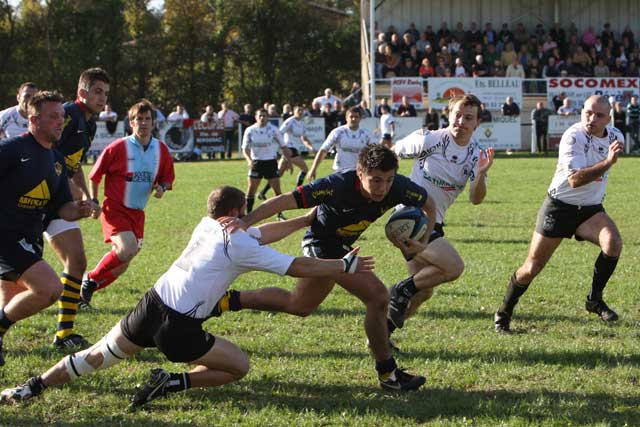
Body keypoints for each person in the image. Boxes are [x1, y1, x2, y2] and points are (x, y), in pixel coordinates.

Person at [0, 186, 374, 405]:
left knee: (94, 356)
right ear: (238, 212)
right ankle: (174, 381)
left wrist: (305, 220)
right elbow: (298, 267)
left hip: (151, 305)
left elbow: (262, 234)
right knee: (238, 366)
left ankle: (31, 387)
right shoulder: (239, 244)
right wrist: (343, 266)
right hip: (179, 328)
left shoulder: (208, 225)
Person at [223, 144, 436, 391]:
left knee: (299, 305)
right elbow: (285, 200)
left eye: (388, 180)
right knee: (378, 297)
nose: (383, 188)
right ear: (359, 173)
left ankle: (227, 301)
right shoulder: (338, 184)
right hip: (320, 244)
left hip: (344, 247)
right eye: (376, 180)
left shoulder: (399, 186)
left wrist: (421, 242)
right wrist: (246, 220)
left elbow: (428, 205)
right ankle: (388, 375)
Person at [494, 95, 625, 333]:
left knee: (613, 243)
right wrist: (607, 162)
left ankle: (594, 300)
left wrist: (608, 160)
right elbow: (575, 180)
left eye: (599, 115)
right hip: (560, 206)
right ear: (581, 112)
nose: (592, 119)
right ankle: (503, 313)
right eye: (588, 113)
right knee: (531, 268)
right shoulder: (573, 136)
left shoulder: (616, 137)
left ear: (609, 118)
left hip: (590, 210)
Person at [386, 94, 495, 336]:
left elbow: (476, 199)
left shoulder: (477, 155)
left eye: (469, 118)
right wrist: (391, 190)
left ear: (477, 123)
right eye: (457, 115)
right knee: (453, 267)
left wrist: (480, 174)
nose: (461, 122)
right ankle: (399, 290)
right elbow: (391, 155)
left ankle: (381, 336)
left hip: (435, 222)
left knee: (423, 291)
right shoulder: (429, 139)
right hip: (410, 217)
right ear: (449, 115)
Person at [0, 91, 95, 366]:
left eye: (62, 117)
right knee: (50, 289)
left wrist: (78, 210)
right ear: (34, 119)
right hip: (6, 238)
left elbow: (61, 207)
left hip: (29, 240)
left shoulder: (55, 160)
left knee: (9, 305)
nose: (59, 122)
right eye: (53, 117)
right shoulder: (13, 150)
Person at [79, 99, 175, 306]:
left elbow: (167, 177)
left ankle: (87, 288)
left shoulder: (161, 149)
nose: (143, 123)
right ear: (130, 123)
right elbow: (95, 175)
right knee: (126, 250)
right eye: (138, 119)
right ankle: (88, 280)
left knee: (122, 264)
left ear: (153, 122)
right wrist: (94, 200)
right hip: (115, 208)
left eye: (147, 119)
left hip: (137, 213)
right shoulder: (118, 147)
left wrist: (162, 187)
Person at [45, 68, 106, 350]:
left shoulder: (90, 125)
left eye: (105, 93)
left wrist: (89, 196)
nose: (103, 98)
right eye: (97, 91)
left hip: (57, 203)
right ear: (82, 92)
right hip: (35, 200)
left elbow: (73, 164)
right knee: (15, 281)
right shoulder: (67, 113)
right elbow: (46, 154)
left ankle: (63, 334)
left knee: (77, 261)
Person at [258, 106, 315, 200]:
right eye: (298, 110)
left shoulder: (302, 123)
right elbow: (280, 132)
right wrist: (283, 147)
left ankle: (262, 193)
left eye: (301, 110)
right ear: (294, 111)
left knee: (278, 174)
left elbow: (304, 138)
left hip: (294, 149)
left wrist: (310, 147)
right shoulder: (290, 121)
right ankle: (297, 192)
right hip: (289, 149)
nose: (300, 112)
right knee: (304, 168)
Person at [242, 109, 292, 216]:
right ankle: (248, 215)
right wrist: (249, 160)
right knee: (251, 190)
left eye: (264, 116)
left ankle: (280, 214)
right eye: (260, 116)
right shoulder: (250, 130)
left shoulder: (273, 130)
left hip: (270, 162)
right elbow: (245, 148)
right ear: (256, 117)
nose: (262, 118)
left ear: (267, 117)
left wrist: (289, 161)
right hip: (256, 163)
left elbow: (283, 146)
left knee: (277, 191)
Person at [308, 107, 374, 181]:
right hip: (340, 171)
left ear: (360, 118)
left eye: (356, 117)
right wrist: (313, 169)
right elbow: (323, 150)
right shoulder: (338, 132)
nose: (353, 119)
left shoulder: (366, 134)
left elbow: (374, 153)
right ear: (346, 118)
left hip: (359, 172)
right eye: (351, 117)